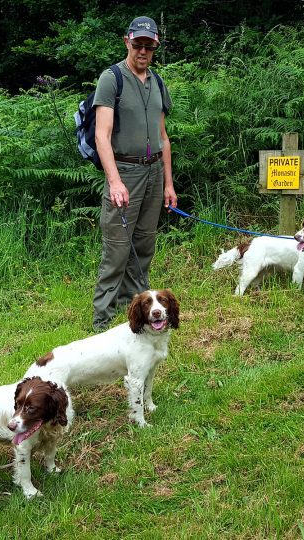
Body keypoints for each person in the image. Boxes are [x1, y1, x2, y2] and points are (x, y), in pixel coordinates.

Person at [91, 16, 177, 331]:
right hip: (124, 170)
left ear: (155, 46)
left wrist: (168, 183)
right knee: (117, 248)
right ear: (127, 41)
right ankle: (102, 320)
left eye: (149, 45)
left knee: (144, 244)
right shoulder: (111, 78)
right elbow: (102, 136)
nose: (143, 51)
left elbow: (163, 137)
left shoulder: (157, 82)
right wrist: (115, 181)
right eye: (138, 44)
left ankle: (134, 313)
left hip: (155, 170)